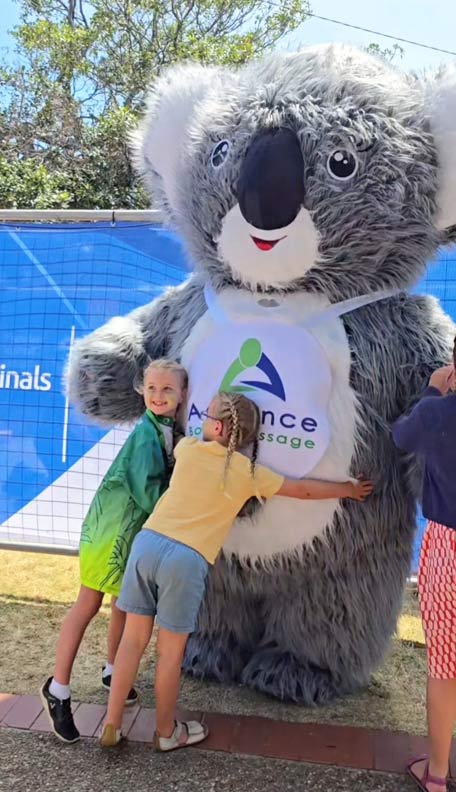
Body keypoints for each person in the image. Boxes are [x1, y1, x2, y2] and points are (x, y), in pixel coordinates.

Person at [99, 390, 374, 750]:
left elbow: (186, 443)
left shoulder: (189, 450)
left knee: (132, 642)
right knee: (169, 653)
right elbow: (303, 490)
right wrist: (348, 489)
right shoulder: (249, 473)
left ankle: (112, 722)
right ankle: (166, 732)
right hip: (186, 559)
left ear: (214, 425)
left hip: (147, 544)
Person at [40, 358, 187, 744]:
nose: (159, 396)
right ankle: (58, 689)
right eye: (153, 388)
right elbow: (147, 491)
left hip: (130, 534)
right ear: (142, 390)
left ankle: (112, 670)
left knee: (124, 601)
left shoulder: (167, 430)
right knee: (88, 603)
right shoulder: (146, 435)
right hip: (110, 533)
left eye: (167, 389)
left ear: (182, 394)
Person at [392, 339, 456, 792]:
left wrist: (433, 392)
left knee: (444, 667)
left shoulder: (438, 414)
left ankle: (436, 773)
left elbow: (401, 436)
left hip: (447, 549)